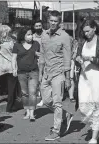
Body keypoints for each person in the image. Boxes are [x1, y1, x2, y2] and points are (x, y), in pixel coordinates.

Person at [39, 10, 73, 141]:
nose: (53, 23)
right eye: (51, 20)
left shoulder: (64, 36)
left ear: (59, 22)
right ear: (48, 21)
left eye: (55, 21)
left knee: (57, 102)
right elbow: (42, 55)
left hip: (59, 73)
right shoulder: (44, 35)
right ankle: (66, 115)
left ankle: (56, 130)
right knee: (46, 101)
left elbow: (67, 58)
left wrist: (68, 78)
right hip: (46, 73)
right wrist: (41, 73)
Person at [75, 18, 99, 144]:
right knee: (84, 106)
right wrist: (78, 60)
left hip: (97, 76)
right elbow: (77, 57)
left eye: (88, 31)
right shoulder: (82, 41)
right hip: (84, 77)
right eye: (84, 31)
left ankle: (95, 136)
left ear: (94, 28)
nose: (86, 34)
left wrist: (91, 58)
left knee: (97, 104)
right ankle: (96, 124)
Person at [12, 27, 40, 121]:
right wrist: (14, 69)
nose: (31, 36)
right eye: (28, 34)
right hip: (21, 72)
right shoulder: (17, 45)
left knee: (32, 92)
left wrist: (38, 56)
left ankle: (32, 113)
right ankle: (27, 112)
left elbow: (39, 56)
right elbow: (13, 58)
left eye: (31, 34)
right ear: (23, 36)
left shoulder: (36, 44)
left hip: (33, 71)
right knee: (24, 93)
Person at [0, 25, 21, 112]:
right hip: (10, 66)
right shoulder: (11, 42)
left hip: (0, 66)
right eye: (8, 32)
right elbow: (15, 55)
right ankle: (10, 107)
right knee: (11, 87)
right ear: (5, 32)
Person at [32, 19, 45, 107]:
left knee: (46, 79)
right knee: (38, 80)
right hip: (36, 61)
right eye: (36, 26)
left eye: (39, 26)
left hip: (46, 60)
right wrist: (34, 52)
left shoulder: (46, 34)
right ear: (34, 27)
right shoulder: (32, 36)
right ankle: (42, 97)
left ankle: (45, 98)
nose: (38, 27)